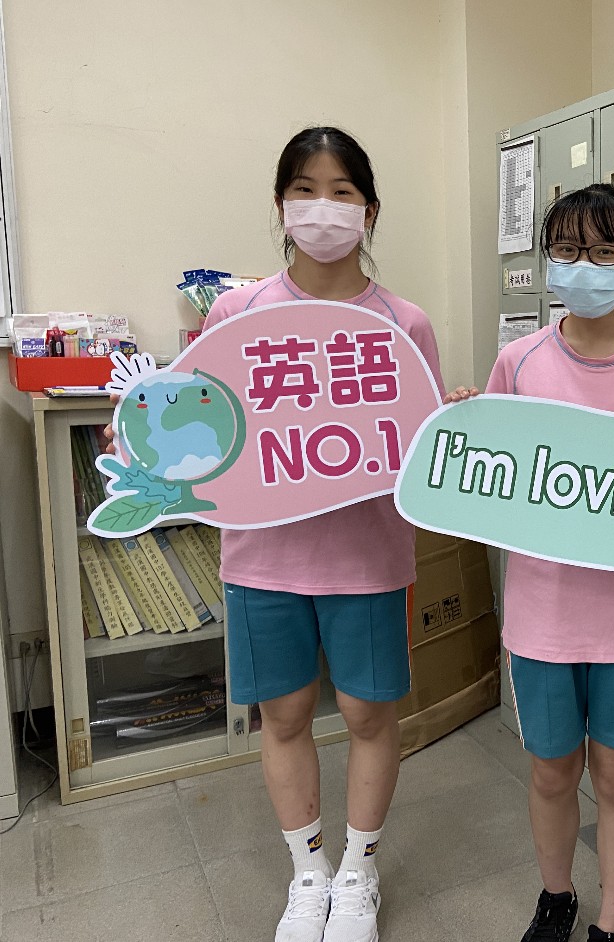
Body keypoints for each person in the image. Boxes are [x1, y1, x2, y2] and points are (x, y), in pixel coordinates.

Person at [108, 127, 446, 942]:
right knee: (284, 717)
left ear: (369, 210)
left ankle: (358, 874)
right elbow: (199, 424)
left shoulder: (403, 323)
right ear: (280, 205)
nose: (322, 208)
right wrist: (143, 443)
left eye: (341, 192)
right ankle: (309, 873)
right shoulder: (237, 313)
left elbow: (424, 447)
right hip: (262, 560)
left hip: (368, 558)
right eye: (305, 189)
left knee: (369, 717)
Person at [448, 183, 614, 942]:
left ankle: (613, 923)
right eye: (566, 250)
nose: (582, 266)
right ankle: (556, 897)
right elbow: (487, 479)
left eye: (602, 252)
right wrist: (463, 428)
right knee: (552, 769)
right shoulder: (519, 360)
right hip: (545, 612)